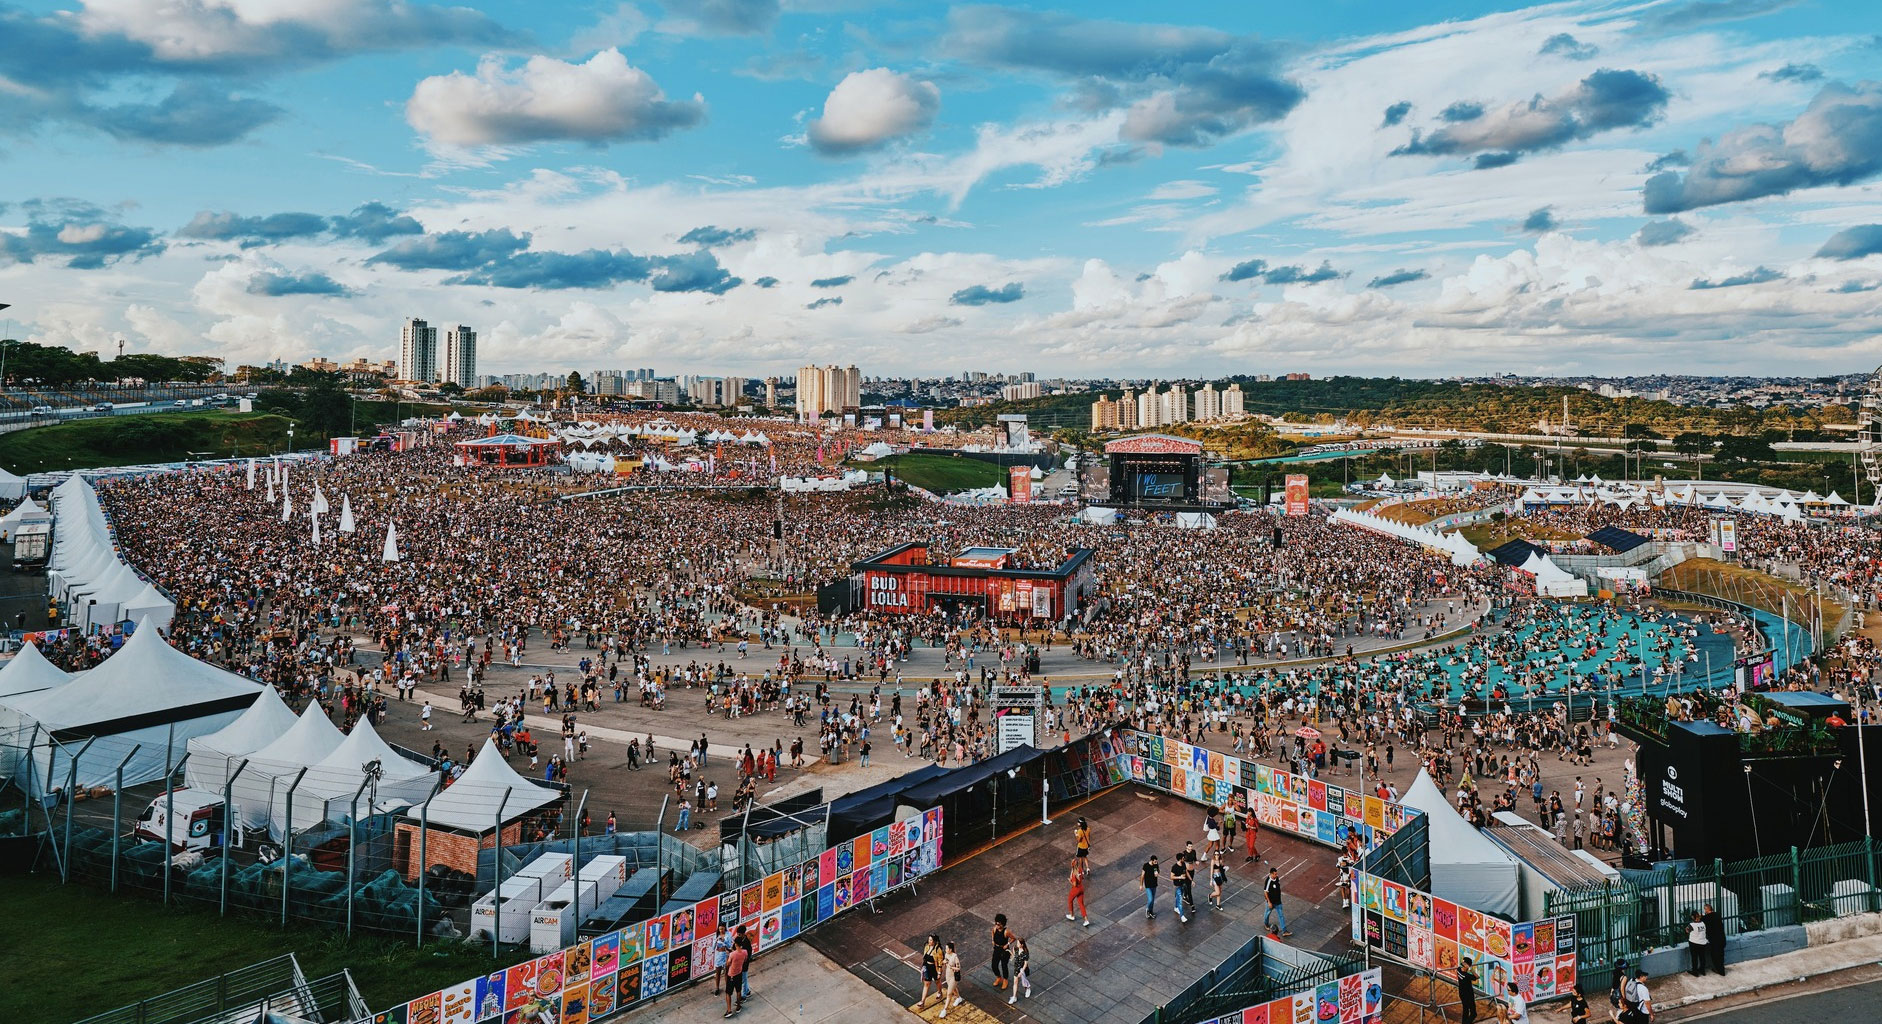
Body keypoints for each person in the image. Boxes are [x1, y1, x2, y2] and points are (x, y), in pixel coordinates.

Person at [723, 939, 748, 1018]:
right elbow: (745, 959)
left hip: (731, 975)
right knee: (738, 990)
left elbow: (728, 964)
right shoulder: (745, 952)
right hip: (739, 973)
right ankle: (738, 1006)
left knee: (728, 993)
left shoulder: (732, 954)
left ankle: (729, 1010)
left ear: (735, 944)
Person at [1263, 867, 1290, 936]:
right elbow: (1265, 892)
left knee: (1281, 916)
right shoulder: (1268, 881)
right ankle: (1266, 924)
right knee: (1267, 914)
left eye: (1276, 874)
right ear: (1271, 874)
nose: (1276, 875)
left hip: (1278, 902)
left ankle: (1284, 931)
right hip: (1271, 903)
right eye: (1275, 874)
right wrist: (1269, 902)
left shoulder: (1277, 878)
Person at [939, 941, 963, 1019]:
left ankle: (944, 1010)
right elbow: (943, 962)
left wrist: (952, 967)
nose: (945, 949)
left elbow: (959, 968)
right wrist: (943, 962)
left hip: (953, 977)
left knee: (949, 994)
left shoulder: (955, 957)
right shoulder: (946, 954)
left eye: (947, 948)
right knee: (953, 988)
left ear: (950, 949)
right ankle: (959, 998)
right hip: (948, 975)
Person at [918, 934, 942, 1007]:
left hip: (935, 968)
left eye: (931, 940)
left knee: (937, 981)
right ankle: (922, 1001)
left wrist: (939, 972)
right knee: (926, 984)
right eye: (929, 939)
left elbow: (940, 961)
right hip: (927, 967)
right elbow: (924, 957)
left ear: (934, 941)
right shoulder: (926, 946)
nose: (929, 941)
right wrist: (923, 967)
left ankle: (940, 992)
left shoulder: (938, 950)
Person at [1007, 936, 1032, 1005]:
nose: (1017, 944)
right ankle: (1014, 997)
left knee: (1023, 981)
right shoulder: (1015, 948)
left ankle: (1027, 988)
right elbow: (1014, 956)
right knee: (1015, 982)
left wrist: (1021, 972)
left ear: (1022, 944)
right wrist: (1010, 953)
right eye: (1017, 943)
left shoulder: (1025, 952)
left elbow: (1025, 963)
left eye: (1018, 943)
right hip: (1016, 967)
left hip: (1022, 969)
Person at [1702, 904, 1725, 976]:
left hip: (1714, 939)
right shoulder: (1717, 915)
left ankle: (1719, 970)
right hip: (1721, 938)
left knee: (1715, 955)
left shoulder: (1706, 918)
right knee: (1721, 954)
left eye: (1705, 909)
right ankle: (1721, 969)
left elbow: (1703, 921)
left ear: (1706, 910)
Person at [990, 913, 1011, 990]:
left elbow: (1013, 938)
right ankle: (998, 977)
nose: (997, 925)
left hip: (1004, 950)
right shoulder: (995, 929)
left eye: (999, 924)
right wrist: (992, 940)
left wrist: (1008, 944)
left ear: (1003, 924)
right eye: (996, 923)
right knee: (994, 965)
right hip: (997, 948)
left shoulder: (1006, 932)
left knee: (1004, 965)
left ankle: (1005, 979)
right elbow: (992, 933)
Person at [1066, 857, 1090, 926]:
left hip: (1075, 889)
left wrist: (1070, 881)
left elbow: (1074, 884)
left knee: (1070, 901)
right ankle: (1086, 920)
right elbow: (1082, 877)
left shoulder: (1074, 873)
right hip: (1081, 888)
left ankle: (1072, 915)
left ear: (1072, 865)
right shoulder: (1080, 869)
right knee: (1081, 904)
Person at [1169, 852, 1192, 923]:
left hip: (1183, 884)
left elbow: (1186, 872)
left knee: (1178, 897)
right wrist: (1179, 877)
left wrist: (1191, 880)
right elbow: (1171, 877)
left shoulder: (1183, 864)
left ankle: (1176, 908)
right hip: (1177, 886)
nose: (1184, 858)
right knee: (1180, 901)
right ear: (1180, 859)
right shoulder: (1174, 867)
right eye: (1183, 858)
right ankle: (1182, 916)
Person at [1456, 957, 1479, 1024]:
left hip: (1461, 994)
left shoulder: (1458, 970)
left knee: (1465, 1011)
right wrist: (1471, 969)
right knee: (1473, 1014)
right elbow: (1477, 977)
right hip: (1469, 995)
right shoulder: (1467, 976)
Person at [1685, 911, 1707, 976]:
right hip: (1703, 942)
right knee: (1702, 957)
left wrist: (1686, 929)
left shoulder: (1692, 925)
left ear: (1692, 917)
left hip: (1694, 943)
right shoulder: (1703, 923)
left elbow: (1687, 931)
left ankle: (1695, 972)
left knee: (1694, 958)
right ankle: (1702, 970)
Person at [713, 923, 733, 995]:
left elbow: (729, 945)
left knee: (726, 972)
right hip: (718, 955)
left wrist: (724, 940)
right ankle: (717, 988)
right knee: (717, 972)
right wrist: (716, 940)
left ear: (725, 928)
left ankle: (727, 987)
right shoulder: (716, 935)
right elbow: (713, 947)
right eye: (720, 929)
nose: (721, 930)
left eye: (722, 929)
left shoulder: (728, 934)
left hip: (725, 954)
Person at [1141, 853, 1160, 919]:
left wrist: (1157, 873)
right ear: (1151, 860)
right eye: (1155, 861)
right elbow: (1142, 875)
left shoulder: (1156, 865)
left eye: (1156, 861)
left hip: (1154, 884)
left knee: (1153, 900)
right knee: (1150, 899)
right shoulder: (1146, 865)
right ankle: (1147, 910)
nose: (1156, 862)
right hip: (1148, 885)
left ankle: (1151, 912)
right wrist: (1141, 885)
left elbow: (1158, 871)